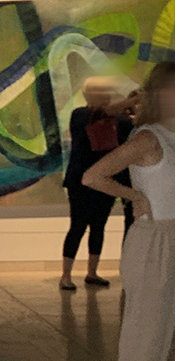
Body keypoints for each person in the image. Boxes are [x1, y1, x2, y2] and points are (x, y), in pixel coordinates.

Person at [81, 62, 175, 361]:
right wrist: (135, 196)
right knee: (147, 333)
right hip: (155, 241)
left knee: (175, 333)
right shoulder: (149, 138)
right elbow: (93, 176)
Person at [59, 77, 135, 291]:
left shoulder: (116, 120)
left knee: (99, 226)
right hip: (81, 181)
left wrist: (133, 106)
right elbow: (103, 113)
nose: (107, 96)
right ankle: (66, 275)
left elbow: (129, 121)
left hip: (105, 181)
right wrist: (131, 101)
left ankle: (92, 272)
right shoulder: (80, 114)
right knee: (78, 226)